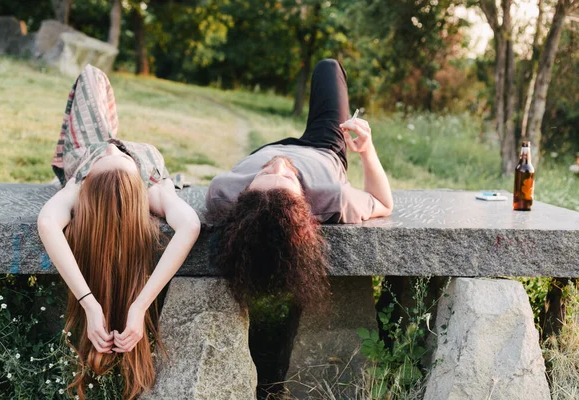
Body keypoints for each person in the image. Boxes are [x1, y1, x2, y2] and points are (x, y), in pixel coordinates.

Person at [37, 65, 200, 400]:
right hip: (114, 173)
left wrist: (90, 305)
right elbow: (190, 225)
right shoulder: (154, 189)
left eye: (116, 161)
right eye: (114, 159)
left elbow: (48, 222)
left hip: (84, 150)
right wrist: (139, 306)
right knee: (93, 75)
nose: (112, 149)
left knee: (90, 75)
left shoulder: (82, 182)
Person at [206, 58, 393, 308]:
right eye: (286, 178)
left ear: (245, 194)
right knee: (329, 67)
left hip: (264, 150)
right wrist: (367, 150)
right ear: (304, 203)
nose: (279, 164)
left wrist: (266, 168)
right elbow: (383, 202)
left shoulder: (223, 192)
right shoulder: (333, 198)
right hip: (322, 147)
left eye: (263, 176)